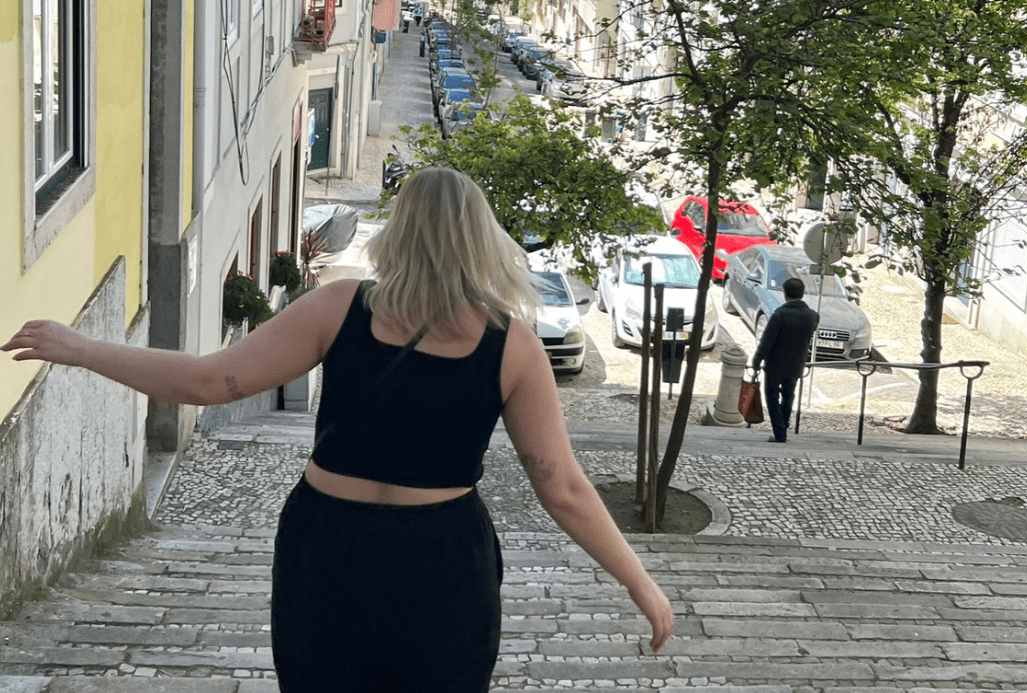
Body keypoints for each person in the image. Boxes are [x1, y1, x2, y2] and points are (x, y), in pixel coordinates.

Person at [2, 167, 674, 692]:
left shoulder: (338, 307)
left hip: (329, 547)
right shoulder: (512, 345)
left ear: (399, 231)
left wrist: (82, 347)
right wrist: (639, 581)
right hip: (442, 562)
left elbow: (206, 382)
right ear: (481, 239)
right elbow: (562, 487)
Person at [750, 276, 819, 443]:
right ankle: (784, 425)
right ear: (802, 294)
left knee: (771, 397)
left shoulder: (780, 315)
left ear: (785, 293)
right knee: (789, 396)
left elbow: (766, 342)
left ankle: (780, 432)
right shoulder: (812, 316)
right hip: (796, 365)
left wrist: (757, 361)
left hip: (775, 365)